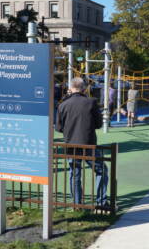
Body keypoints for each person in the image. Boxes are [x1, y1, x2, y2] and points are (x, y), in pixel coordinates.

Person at [56, 77, 108, 206]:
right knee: (101, 170)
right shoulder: (91, 102)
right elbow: (98, 124)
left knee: (75, 174)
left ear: (71, 88)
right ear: (84, 88)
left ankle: (77, 203)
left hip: (71, 144)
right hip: (88, 143)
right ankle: (101, 202)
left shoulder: (63, 105)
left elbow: (58, 127)